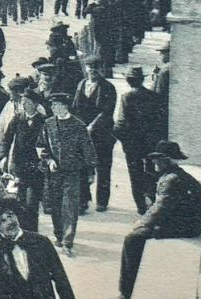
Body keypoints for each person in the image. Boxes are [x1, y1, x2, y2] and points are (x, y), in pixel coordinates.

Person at [108, 141, 201, 299]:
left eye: (156, 159)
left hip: (183, 226)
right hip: (187, 223)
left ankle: (124, 293)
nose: (154, 163)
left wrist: (141, 223)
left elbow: (160, 209)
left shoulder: (170, 180)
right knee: (138, 234)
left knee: (132, 239)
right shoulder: (176, 175)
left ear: (166, 160)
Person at [38, 93, 96, 255]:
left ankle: (67, 241)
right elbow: (41, 147)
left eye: (56, 105)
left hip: (72, 173)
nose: (53, 108)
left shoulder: (78, 125)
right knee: (55, 206)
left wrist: (91, 172)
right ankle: (59, 235)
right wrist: (49, 160)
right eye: (52, 106)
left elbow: (88, 150)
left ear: (65, 106)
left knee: (70, 207)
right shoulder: (48, 124)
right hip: (54, 173)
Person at [115, 67, 167, 213]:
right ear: (142, 80)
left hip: (133, 143)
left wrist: (121, 138)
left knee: (135, 174)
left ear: (128, 81)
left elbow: (121, 122)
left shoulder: (126, 97)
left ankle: (141, 207)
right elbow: (160, 120)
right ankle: (150, 199)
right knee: (151, 171)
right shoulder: (154, 96)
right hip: (150, 142)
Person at [73, 56, 119, 213]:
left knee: (103, 167)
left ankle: (102, 201)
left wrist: (92, 126)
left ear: (101, 69)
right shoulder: (81, 84)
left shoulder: (108, 87)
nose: (92, 71)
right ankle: (83, 200)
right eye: (89, 68)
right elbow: (75, 107)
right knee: (82, 166)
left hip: (102, 134)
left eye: (95, 68)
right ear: (86, 69)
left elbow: (107, 111)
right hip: (83, 133)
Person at [0, 89, 49, 232]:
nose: (24, 105)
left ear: (35, 104)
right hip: (19, 166)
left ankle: (33, 232)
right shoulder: (17, 119)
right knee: (20, 201)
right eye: (22, 103)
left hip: (36, 167)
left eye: (27, 103)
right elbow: (6, 139)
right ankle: (22, 230)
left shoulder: (43, 121)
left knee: (32, 202)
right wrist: (3, 156)